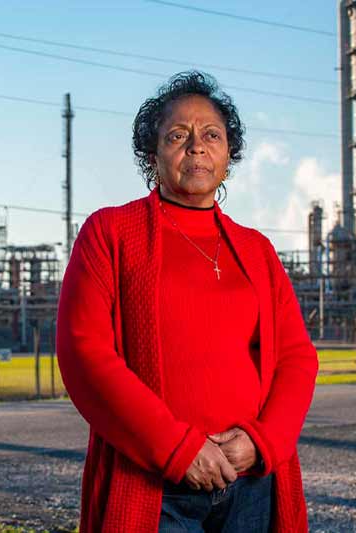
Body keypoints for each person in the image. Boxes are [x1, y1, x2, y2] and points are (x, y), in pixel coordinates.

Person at [57, 71, 319, 532]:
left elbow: (297, 358)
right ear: (152, 153)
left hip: (252, 482)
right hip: (155, 489)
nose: (196, 146)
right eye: (178, 135)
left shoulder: (256, 249)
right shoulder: (111, 234)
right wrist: (176, 450)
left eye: (211, 135)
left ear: (228, 153)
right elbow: (85, 354)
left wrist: (263, 442)